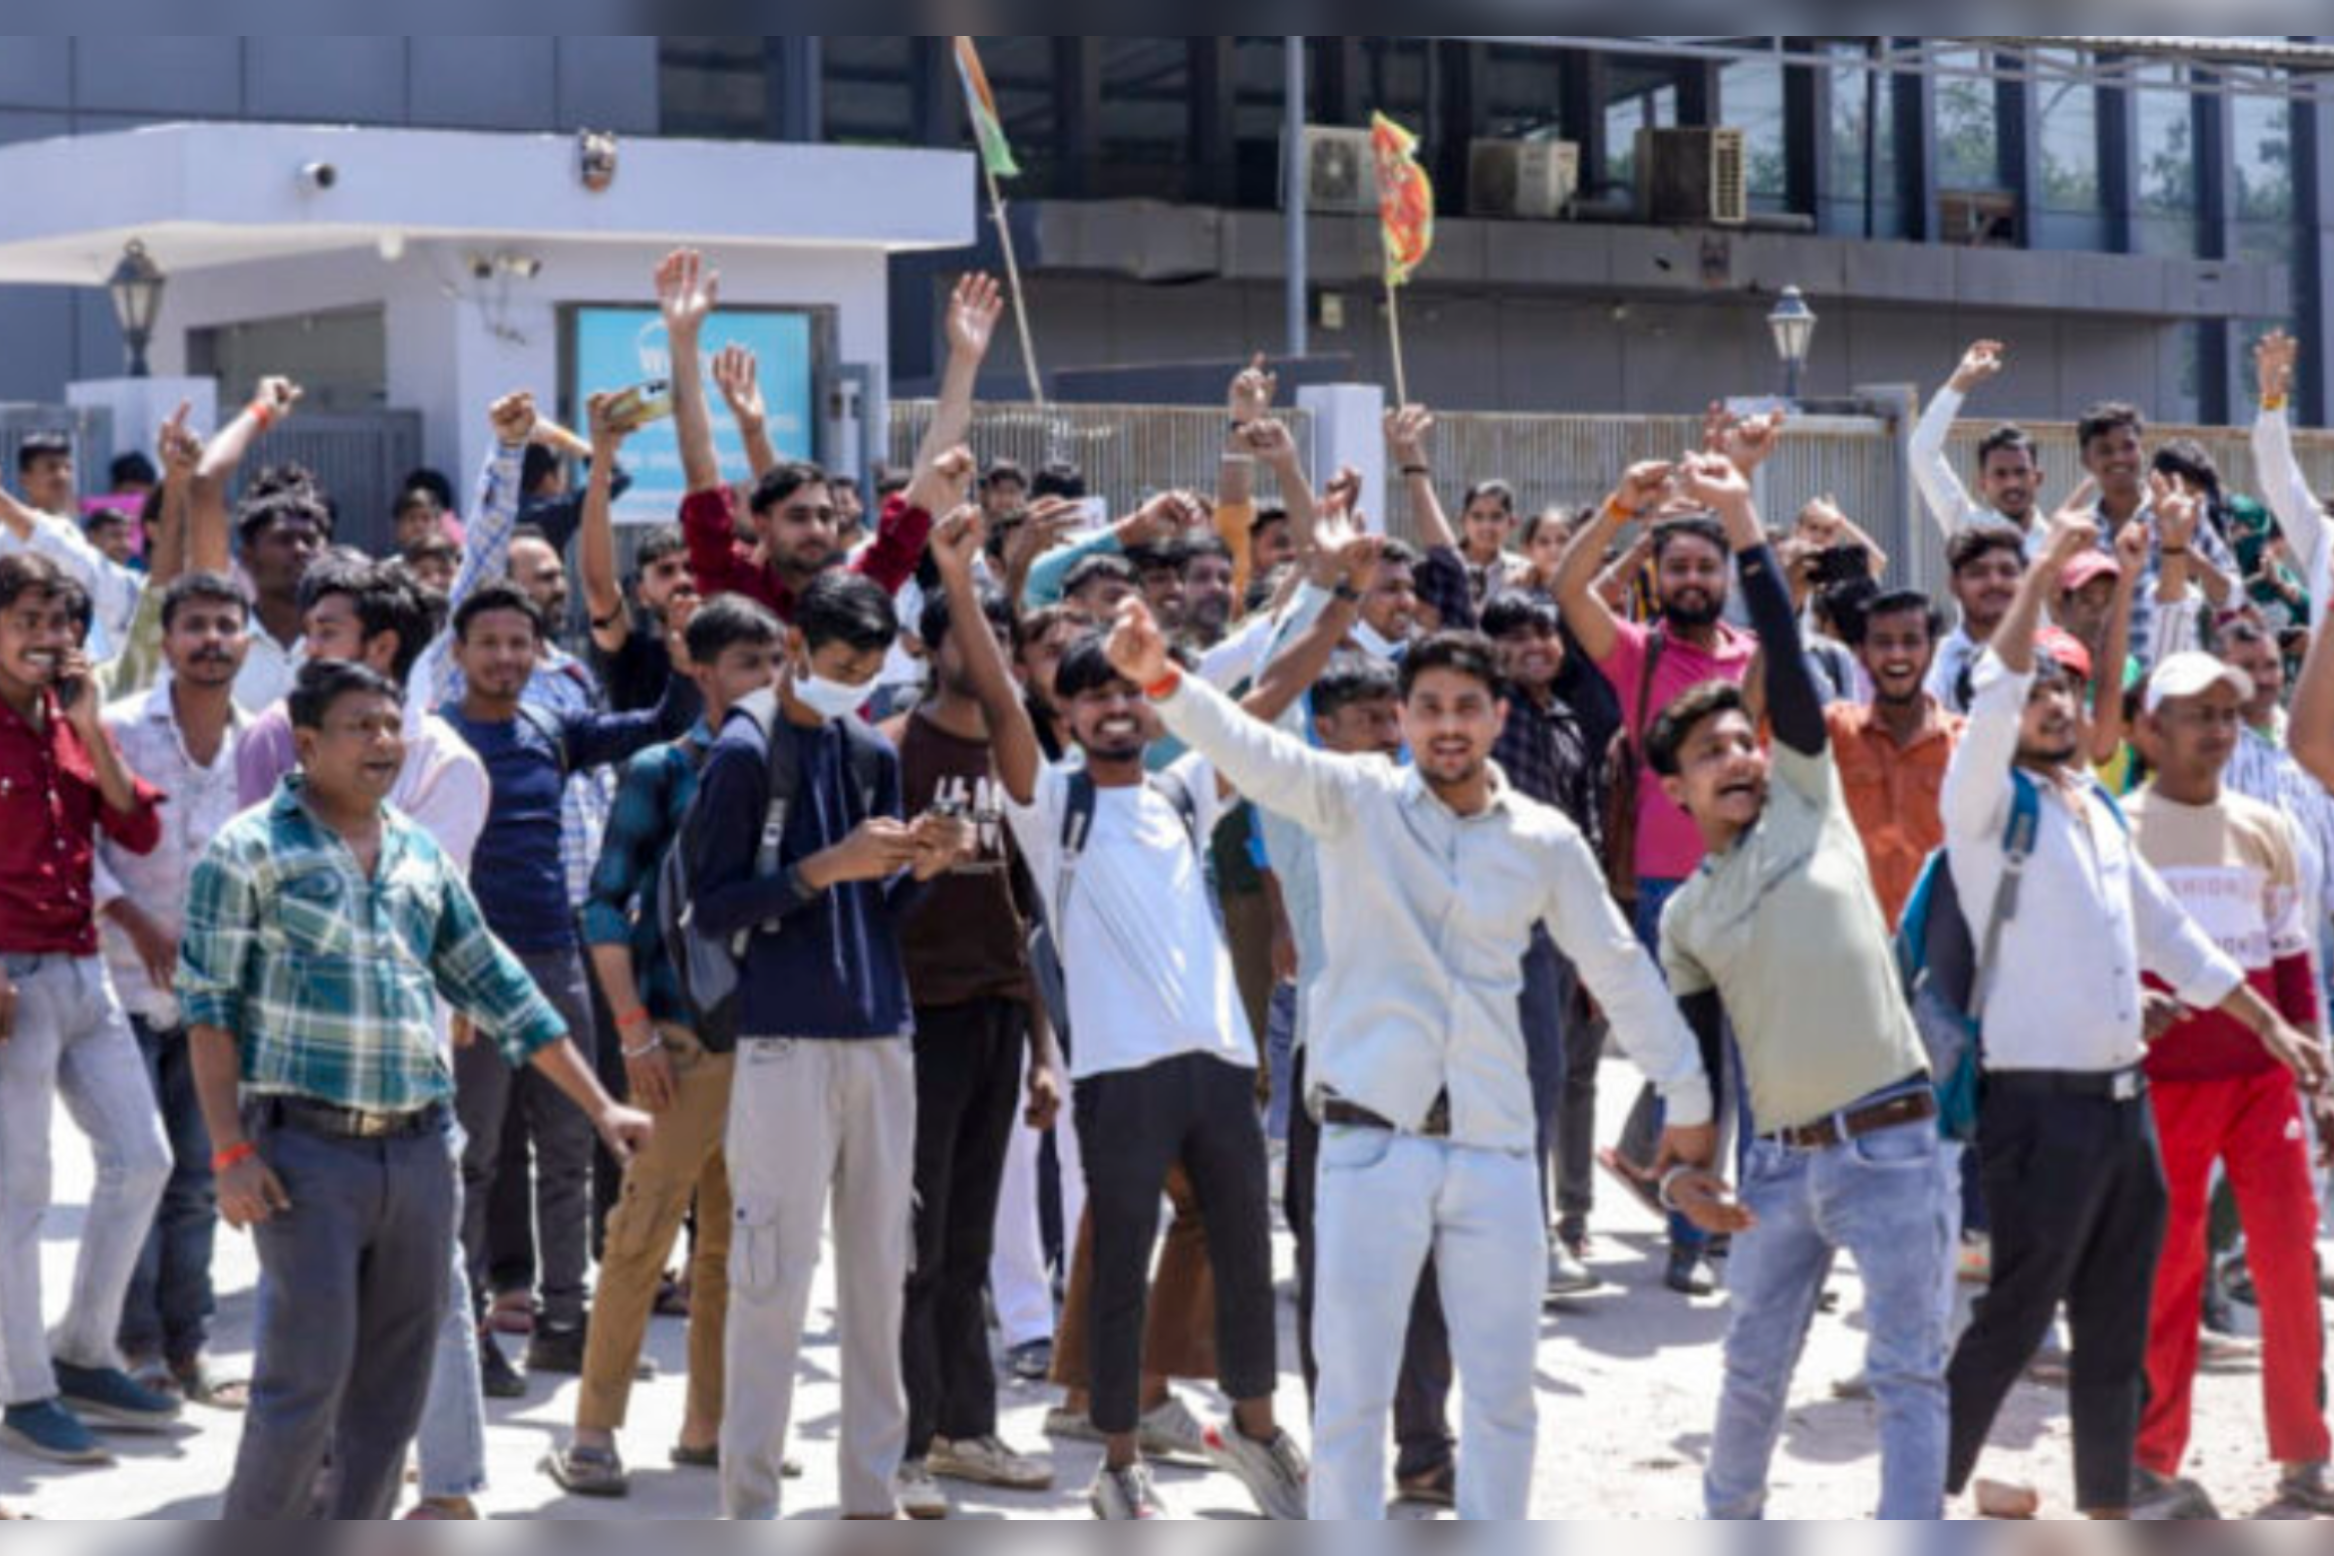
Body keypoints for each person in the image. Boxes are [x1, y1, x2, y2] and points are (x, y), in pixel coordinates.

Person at [1127, 590, 1716, 1520]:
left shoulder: (1543, 840)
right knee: (1352, 1404)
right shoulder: (1351, 799)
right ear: (1400, 718)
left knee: (1503, 1402)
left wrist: (1688, 1096)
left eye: (1467, 708)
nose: (1448, 727)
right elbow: (1249, 749)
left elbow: (1619, 967)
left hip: (1493, 1152)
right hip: (1370, 1146)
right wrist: (1163, 679)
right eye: (1430, 708)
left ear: (1499, 717)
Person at [178, 659, 653, 1521]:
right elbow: (207, 1011)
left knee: (391, 1394)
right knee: (305, 1384)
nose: (384, 742)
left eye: (392, 725)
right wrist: (231, 1150)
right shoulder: (248, 850)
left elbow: (500, 987)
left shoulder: (417, 852)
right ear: (308, 742)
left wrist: (601, 1105)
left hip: (422, 1152)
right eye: (360, 726)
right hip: (305, 1157)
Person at [1942, 501, 2327, 1521]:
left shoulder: (2096, 810)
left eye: (2069, 689)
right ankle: (1920, 1482)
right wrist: (2043, 572)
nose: (2055, 704)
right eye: (2038, 690)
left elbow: (2177, 939)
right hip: (2041, 1105)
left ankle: (2119, 1499)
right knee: (2018, 1315)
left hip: (2124, 1106)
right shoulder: (1983, 805)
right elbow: (1995, 690)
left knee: (2120, 1315)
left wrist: (2274, 1027)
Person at [977, 531, 1350, 1520]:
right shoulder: (1050, 803)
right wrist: (955, 572)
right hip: (1120, 1071)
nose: (1114, 707)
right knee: (1119, 1273)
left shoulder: (1185, 791)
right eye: (1091, 695)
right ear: (1064, 713)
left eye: (1128, 692)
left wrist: (1343, 598)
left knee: (1245, 1256)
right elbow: (1000, 699)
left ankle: (1259, 1436)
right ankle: (1118, 1465)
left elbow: (1269, 698)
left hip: (1218, 1060)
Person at [1644, 451, 1950, 1522]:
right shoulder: (1684, 919)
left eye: (1745, 740)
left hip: (1894, 1143)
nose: (1737, 757)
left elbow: (1782, 646)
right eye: (1710, 752)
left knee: (1907, 1373)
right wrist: (1684, 1181)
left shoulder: (1811, 798)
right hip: (1774, 1168)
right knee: (1750, 1374)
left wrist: (1742, 523)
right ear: (1676, 791)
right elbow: (1695, 1074)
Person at [688, 569, 975, 1522]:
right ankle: (750, 1504)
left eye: (869, 668)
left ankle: (871, 1498)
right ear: (797, 647)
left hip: (881, 1037)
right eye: (842, 665)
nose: (856, 683)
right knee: (770, 1283)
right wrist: (823, 869)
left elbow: (879, 914)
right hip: (782, 1044)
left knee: (881, 1281)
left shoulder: (867, 751)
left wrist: (922, 867)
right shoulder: (743, 751)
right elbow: (712, 908)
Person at [539, 594, 773, 1500]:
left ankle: (709, 1428)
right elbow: (606, 905)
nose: (767, 681)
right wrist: (634, 1031)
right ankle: (593, 1434)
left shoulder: (792, 765)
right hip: (677, 1039)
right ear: (700, 672)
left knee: (733, 1247)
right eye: (748, 665)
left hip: (766, 1044)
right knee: (641, 1235)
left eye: (776, 663)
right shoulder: (662, 770)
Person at [440, 580, 696, 1386]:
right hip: (470, 971)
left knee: (571, 1146)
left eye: (519, 643)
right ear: (458, 653)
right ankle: (469, 1330)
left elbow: (662, 725)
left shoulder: (550, 728)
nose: (505, 657)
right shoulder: (434, 742)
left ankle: (563, 1321)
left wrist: (680, 651)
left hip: (558, 958)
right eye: (489, 643)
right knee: (475, 1155)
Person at [2125, 653, 2334, 1514]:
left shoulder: (2264, 827)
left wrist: (2318, 1076)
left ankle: (2306, 1454)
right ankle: (2149, 1459)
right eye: (2196, 714)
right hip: (2163, 1088)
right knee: (2167, 1272)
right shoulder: (2119, 830)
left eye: (2227, 715)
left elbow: (2291, 961)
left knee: (2289, 1263)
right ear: (2150, 731)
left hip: (2262, 1083)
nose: (2217, 730)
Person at [1555, 446, 1763, 1296]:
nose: (1690, 579)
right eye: (1676, 567)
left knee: (1756, 1073)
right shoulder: (1636, 653)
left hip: (1753, 886)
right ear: (1656, 577)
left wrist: (1740, 498)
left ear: (1725, 575)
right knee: (1694, 1070)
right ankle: (1687, 1242)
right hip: (1666, 895)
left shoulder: (1755, 654)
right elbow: (1568, 590)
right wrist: (1619, 509)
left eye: (1705, 566)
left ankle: (1753, 1237)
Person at [893, 525, 1068, 1518]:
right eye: (970, 631)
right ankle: (905, 1443)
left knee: (966, 1250)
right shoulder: (890, 747)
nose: (990, 650)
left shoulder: (1014, 753)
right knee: (912, 1251)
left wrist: (1042, 1050)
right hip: (916, 1024)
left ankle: (965, 1427)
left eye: (1002, 635)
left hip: (999, 1015)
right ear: (932, 644)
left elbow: (1020, 910)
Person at [1259, 650, 1461, 1509]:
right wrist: (1328, 601)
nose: (1388, 735)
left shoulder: (1430, 808)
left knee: (1428, 1266)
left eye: (1394, 717)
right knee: (1332, 1272)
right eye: (1370, 720)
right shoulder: (1300, 805)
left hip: (1426, 1066)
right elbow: (1264, 705)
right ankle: (1343, 1456)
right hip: (1331, 1072)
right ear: (1325, 731)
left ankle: (1425, 1450)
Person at [0, 553, 176, 1468]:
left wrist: (90, 728)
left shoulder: (70, 721)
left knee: (144, 1161)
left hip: (82, 970)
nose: (45, 637)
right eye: (26, 620)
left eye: (60, 622)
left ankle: (81, 1350)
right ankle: (23, 1390)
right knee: (20, 1191)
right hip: (11, 979)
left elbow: (136, 826)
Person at [97, 572, 250, 1410]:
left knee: (198, 1177)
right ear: (168, 638)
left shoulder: (261, 744)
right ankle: (134, 1344)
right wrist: (133, 919)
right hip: (118, 986)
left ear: (246, 642)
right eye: (195, 625)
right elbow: (77, 843)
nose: (211, 641)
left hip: (213, 1000)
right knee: (135, 1171)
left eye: (226, 625)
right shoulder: (117, 729)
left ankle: (190, 1345)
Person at [667, 249, 995, 622]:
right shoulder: (731, 584)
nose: (816, 529)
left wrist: (964, 359)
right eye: (798, 517)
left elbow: (927, 480)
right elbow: (701, 475)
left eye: (825, 516)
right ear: (761, 526)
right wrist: (683, 340)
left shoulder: (859, 592)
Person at [1828, 590, 1964, 929]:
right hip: (1854, 936)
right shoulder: (1836, 731)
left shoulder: (1965, 742)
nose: (1897, 655)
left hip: (1938, 942)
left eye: (1911, 641)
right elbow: (1760, 720)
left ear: (1932, 650)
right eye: (1883, 643)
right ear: (1861, 653)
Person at [1910, 341, 2047, 543]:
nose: (2012, 483)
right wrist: (1961, 381)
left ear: (2038, 478)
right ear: (1982, 483)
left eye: (2020, 472)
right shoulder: (1971, 530)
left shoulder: (2060, 543)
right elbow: (1922, 451)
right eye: (2000, 474)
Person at [1927, 527, 2028, 716]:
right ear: (1954, 584)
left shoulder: (2047, 657)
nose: (1995, 582)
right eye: (1978, 573)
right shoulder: (1931, 662)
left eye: (2007, 572)